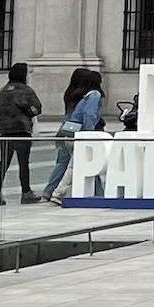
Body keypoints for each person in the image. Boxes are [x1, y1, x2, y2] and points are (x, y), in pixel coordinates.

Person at [44, 69, 104, 205]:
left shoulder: (80, 96)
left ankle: (99, 193)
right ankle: (58, 193)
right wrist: (90, 132)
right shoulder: (94, 95)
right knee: (75, 166)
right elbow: (89, 115)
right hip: (80, 135)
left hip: (69, 134)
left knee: (84, 164)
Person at [0, 62, 42, 206]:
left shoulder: (0, 92)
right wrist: (28, 112)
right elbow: (37, 109)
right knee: (23, 163)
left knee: (3, 162)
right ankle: (26, 192)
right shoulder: (27, 91)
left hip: (5, 130)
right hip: (22, 130)